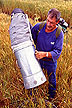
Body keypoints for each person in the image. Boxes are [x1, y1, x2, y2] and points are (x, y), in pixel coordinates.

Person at [31, 8, 64, 99]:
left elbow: (57, 52)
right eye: (48, 21)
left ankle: (51, 98)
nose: (48, 24)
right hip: (37, 59)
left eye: (52, 23)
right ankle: (32, 96)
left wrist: (44, 54)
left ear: (57, 22)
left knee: (52, 80)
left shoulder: (59, 33)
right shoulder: (39, 27)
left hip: (50, 62)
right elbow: (29, 36)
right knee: (35, 77)